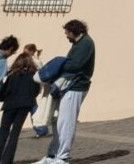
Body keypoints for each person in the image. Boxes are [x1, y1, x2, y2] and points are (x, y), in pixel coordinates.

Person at [35, 19, 95, 164]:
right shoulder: (79, 43)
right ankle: (52, 155)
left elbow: (74, 65)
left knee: (66, 122)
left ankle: (63, 157)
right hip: (69, 86)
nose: (66, 36)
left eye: (67, 32)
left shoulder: (86, 43)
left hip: (76, 86)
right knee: (58, 122)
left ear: (74, 31)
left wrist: (58, 64)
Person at [0, 53, 40, 164]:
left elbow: (2, 93)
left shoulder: (12, 75)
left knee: (3, 133)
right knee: (14, 135)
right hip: (24, 106)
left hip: (9, 106)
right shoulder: (33, 76)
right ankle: (7, 161)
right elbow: (36, 92)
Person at [22, 44, 51, 138]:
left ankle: (41, 129)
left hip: (28, 89)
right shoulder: (35, 60)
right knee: (32, 108)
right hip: (30, 89)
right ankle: (41, 129)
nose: (23, 53)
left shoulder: (32, 61)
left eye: (25, 51)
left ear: (31, 51)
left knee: (31, 108)